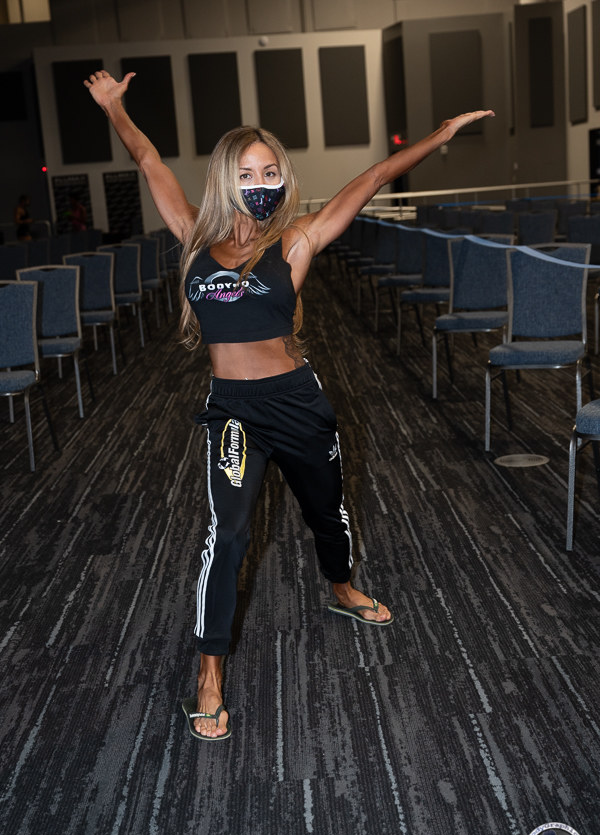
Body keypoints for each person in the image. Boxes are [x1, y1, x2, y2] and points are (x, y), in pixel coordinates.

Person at [85, 69, 494, 741]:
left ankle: (341, 586)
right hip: (234, 411)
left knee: (327, 511)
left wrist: (439, 136)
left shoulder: (295, 241)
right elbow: (148, 158)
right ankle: (209, 675)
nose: (261, 181)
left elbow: (372, 177)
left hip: (298, 402)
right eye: (248, 172)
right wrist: (115, 108)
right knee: (228, 533)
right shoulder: (194, 238)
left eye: (270, 171)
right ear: (226, 179)